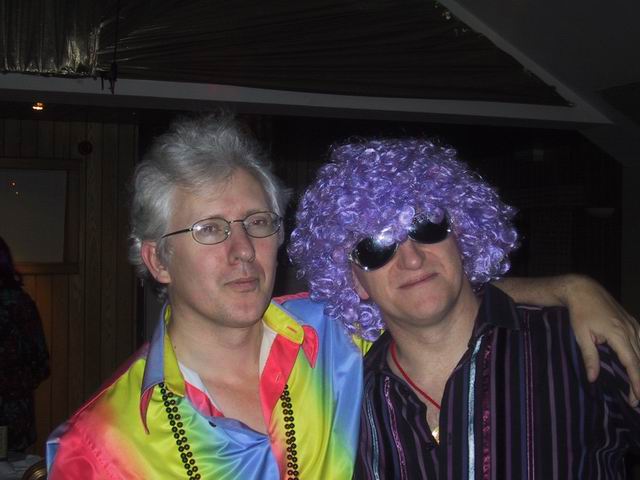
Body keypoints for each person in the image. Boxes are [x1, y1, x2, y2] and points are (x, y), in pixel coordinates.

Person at [46, 115, 638, 479]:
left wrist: (569, 289)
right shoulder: (100, 445)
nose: (242, 251)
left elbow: (428, 297)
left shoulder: (334, 333)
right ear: (157, 259)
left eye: (258, 223)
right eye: (209, 229)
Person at [288, 138, 640, 479]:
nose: (412, 259)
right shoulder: (351, 407)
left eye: (426, 226)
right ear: (354, 280)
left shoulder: (577, 345)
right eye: (374, 248)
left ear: (462, 235)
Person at [0, 236, 50, 453]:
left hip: (14, 417)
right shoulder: (22, 304)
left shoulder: (20, 305)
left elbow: (41, 364)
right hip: (18, 419)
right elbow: (42, 364)